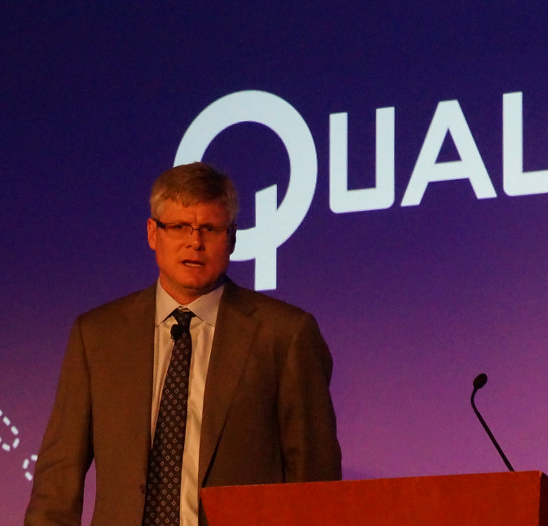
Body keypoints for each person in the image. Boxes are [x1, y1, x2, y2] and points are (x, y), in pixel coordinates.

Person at [25, 162, 342, 526]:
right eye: (178, 227)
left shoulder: (285, 334)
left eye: (210, 228)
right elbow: (58, 479)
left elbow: (315, 484)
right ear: (152, 233)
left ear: (232, 239)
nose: (195, 242)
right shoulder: (97, 335)